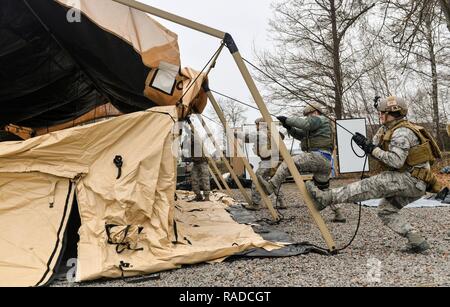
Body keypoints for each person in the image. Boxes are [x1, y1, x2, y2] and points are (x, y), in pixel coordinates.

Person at [306, 96, 443, 253]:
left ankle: (326, 198)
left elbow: (396, 161)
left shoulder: (402, 132)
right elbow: (376, 144)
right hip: (414, 182)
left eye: (382, 112)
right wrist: (366, 143)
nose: (379, 115)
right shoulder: (390, 128)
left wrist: (371, 149)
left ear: (391, 113)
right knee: (386, 210)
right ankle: (416, 241)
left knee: (369, 184)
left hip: (411, 180)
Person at [257, 103, 346, 222]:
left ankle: (271, 186)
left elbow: (305, 124)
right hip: (325, 162)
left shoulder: (321, 119)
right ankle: (338, 214)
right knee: (324, 190)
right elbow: (301, 135)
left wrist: (288, 120)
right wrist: (289, 127)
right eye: (307, 115)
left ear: (316, 112)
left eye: (310, 114)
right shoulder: (318, 126)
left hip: (317, 157)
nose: (309, 117)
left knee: (289, 162)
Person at [235, 117, 287, 210]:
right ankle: (282, 202)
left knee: (257, 181)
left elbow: (247, 137)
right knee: (275, 181)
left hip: (268, 161)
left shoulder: (262, 133)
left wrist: (235, 134)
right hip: (278, 161)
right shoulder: (273, 133)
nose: (256, 126)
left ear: (261, 124)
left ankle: (255, 204)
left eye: (257, 124)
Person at [186, 132, 211, 201]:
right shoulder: (188, 144)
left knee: (205, 179)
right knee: (194, 178)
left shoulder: (198, 141)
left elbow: (198, 141)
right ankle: (198, 195)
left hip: (203, 162)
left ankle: (206, 196)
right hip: (195, 163)